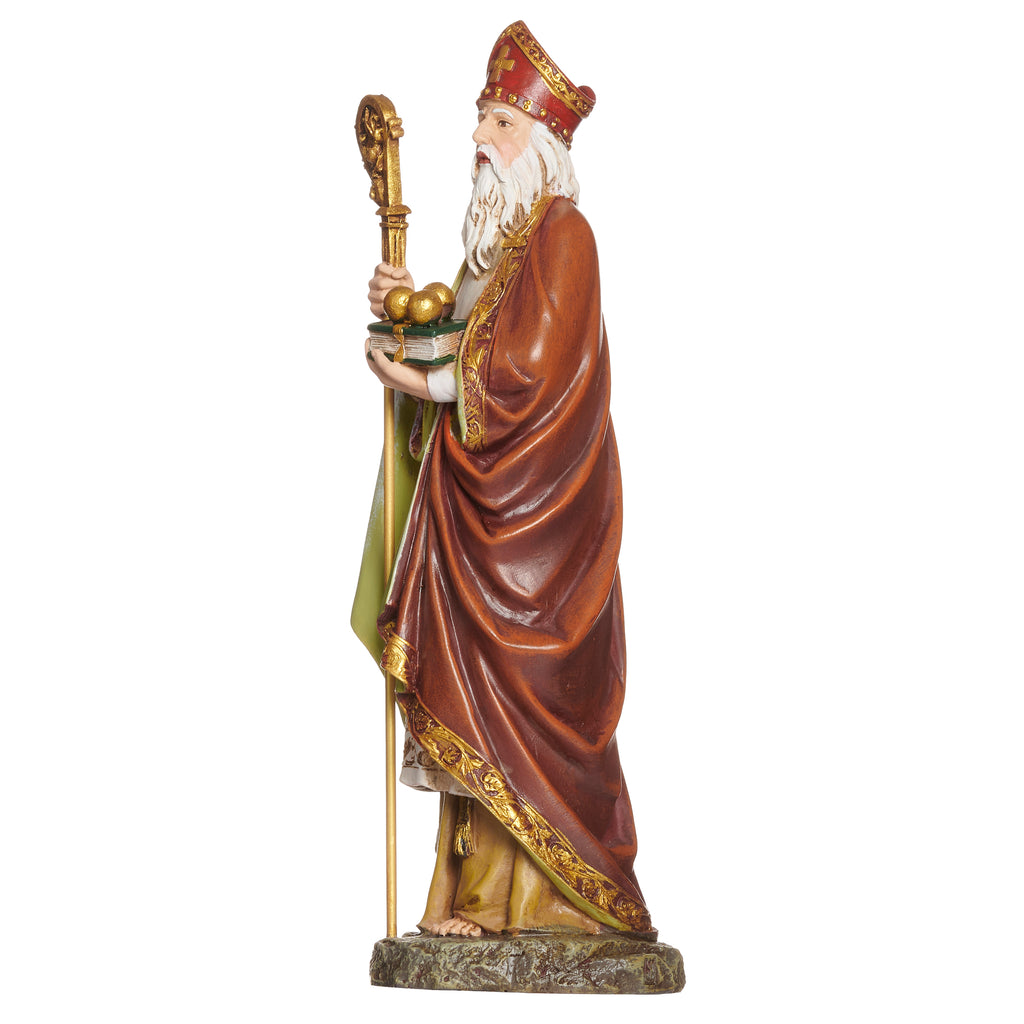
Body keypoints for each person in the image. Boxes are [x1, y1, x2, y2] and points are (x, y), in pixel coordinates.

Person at [352, 21, 654, 938]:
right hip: (476, 519)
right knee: (469, 696)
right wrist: (404, 313)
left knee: (520, 697)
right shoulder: (496, 252)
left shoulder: (563, 236)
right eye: (481, 118)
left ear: (543, 142)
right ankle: (469, 899)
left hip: (538, 536)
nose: (479, 137)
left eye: (500, 123)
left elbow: (528, 369)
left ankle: (530, 904)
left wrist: (423, 380)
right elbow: (461, 344)